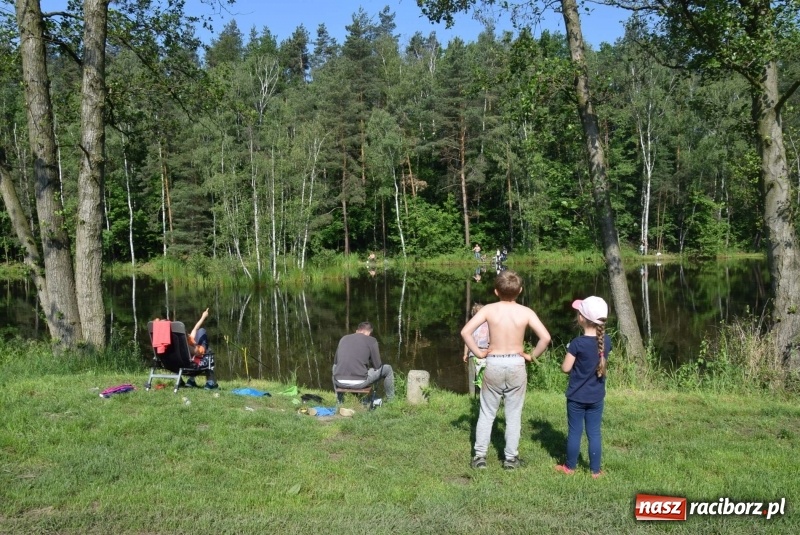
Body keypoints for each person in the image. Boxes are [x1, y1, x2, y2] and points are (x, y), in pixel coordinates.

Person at [461, 270, 551, 470]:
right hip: (516, 364)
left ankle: (480, 457)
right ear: (520, 291)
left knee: (486, 412)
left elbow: (465, 331)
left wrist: (479, 352)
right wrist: (532, 356)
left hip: (493, 362)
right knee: (513, 414)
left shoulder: (489, 310)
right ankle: (510, 459)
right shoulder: (526, 312)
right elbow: (545, 338)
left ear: (495, 291)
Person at [555, 296, 611, 478]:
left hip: (576, 397)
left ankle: (570, 467)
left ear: (581, 318)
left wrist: (570, 351)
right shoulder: (606, 341)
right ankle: (595, 471)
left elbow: (565, 368)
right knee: (594, 433)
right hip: (597, 396)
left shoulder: (577, 344)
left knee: (575, 432)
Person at [333, 321, 395, 400]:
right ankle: (391, 400)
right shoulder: (371, 340)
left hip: (339, 382)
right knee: (387, 369)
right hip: (360, 382)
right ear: (369, 332)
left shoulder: (343, 338)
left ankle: (338, 398)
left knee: (335, 366)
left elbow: (335, 362)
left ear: (357, 330)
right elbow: (377, 365)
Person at [185, 308, 219, 389]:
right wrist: (195, 345)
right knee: (209, 354)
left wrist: (203, 316)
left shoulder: (180, 345)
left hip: (186, 362)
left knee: (200, 330)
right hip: (198, 359)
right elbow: (196, 352)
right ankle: (210, 383)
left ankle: (191, 380)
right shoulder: (188, 345)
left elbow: (195, 329)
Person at [462, 303, 489, 391]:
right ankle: (472, 396)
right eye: (476, 312)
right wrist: (465, 353)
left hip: (486, 353)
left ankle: (485, 395)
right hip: (472, 353)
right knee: (472, 376)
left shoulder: (489, 324)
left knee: (485, 376)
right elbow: (467, 340)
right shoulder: (471, 324)